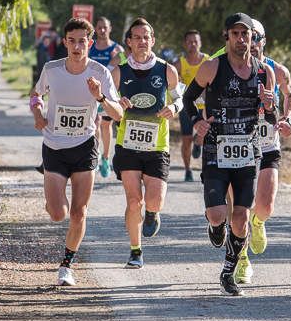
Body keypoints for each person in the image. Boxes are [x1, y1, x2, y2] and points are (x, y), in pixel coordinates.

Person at [183, 12, 276, 296]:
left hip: (249, 152)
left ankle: (229, 271)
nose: (240, 39)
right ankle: (215, 227)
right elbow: (188, 98)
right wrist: (197, 121)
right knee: (216, 214)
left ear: (253, 38)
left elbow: (272, 119)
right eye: (235, 34)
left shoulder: (264, 72)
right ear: (227, 37)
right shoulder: (212, 67)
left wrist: (271, 107)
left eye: (245, 34)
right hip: (215, 148)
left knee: (241, 218)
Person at [30, 17, 123, 286]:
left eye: (82, 41)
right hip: (55, 147)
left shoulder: (100, 73)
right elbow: (36, 95)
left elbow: (117, 115)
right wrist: (37, 113)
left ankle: (66, 265)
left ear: (90, 43)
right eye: (72, 41)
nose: (77, 46)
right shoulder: (52, 69)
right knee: (58, 213)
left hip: (84, 147)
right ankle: (52, 198)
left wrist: (100, 97)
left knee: (79, 212)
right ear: (65, 42)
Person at [111, 18, 181, 268]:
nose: (142, 41)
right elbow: (106, 106)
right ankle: (135, 251)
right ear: (129, 42)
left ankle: (152, 213)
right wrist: (117, 105)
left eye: (146, 37)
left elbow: (179, 98)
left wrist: (173, 107)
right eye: (137, 37)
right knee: (133, 201)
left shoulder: (166, 70)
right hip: (128, 144)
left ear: (153, 40)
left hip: (157, 146)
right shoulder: (118, 72)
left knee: (153, 201)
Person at [234, 19, 291, 285]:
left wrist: (287, 118)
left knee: (266, 205)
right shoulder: (232, 69)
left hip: (268, 143)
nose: (253, 43)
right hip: (239, 147)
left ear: (263, 41)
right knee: (240, 208)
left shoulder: (277, 70)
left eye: (257, 38)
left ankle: (259, 222)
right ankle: (242, 260)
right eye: (249, 37)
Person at [88, 17, 125, 178]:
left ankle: (105, 158)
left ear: (110, 29)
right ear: (95, 29)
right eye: (99, 27)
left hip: (109, 94)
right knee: (94, 124)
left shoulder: (117, 49)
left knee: (105, 126)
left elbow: (123, 71)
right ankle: (95, 156)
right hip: (90, 92)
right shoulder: (90, 47)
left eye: (105, 27)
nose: (102, 30)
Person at [174, 30, 209, 182]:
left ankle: (199, 142)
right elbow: (170, 80)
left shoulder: (208, 62)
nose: (193, 44)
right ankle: (188, 170)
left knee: (204, 135)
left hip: (206, 107)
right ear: (185, 44)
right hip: (187, 107)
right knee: (186, 139)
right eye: (189, 42)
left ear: (200, 43)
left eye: (196, 41)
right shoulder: (179, 64)